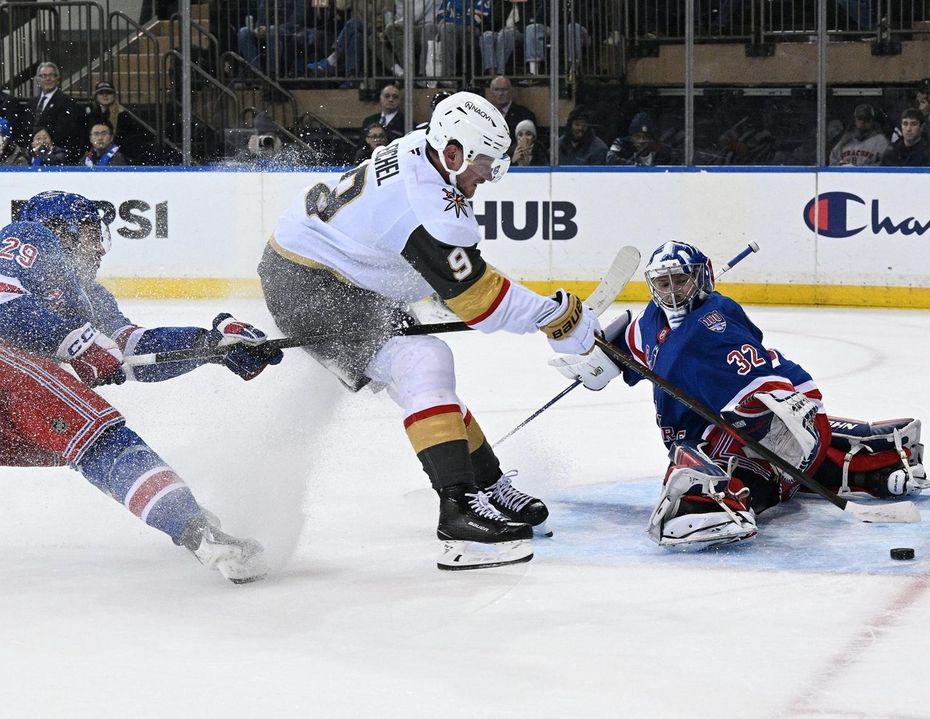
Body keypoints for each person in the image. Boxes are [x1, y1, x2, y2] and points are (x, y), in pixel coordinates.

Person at [257, 91, 605, 570]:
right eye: (484, 164)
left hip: (339, 275)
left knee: (424, 378)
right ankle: (458, 515)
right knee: (424, 360)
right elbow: (480, 303)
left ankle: (485, 486)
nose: (488, 175)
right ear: (454, 153)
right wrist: (559, 319)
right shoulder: (424, 205)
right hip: (310, 283)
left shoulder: (430, 149)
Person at [550, 241, 930, 549]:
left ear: (700, 278)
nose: (671, 292)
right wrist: (601, 357)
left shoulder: (714, 327)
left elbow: (769, 397)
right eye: (663, 284)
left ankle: (726, 501)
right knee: (701, 451)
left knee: (694, 469)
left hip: (782, 420)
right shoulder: (652, 319)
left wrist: (769, 436)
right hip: (735, 425)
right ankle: (870, 456)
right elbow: (636, 342)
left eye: (680, 280)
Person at [0, 191, 282, 582]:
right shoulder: (30, 237)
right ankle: (196, 530)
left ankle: (178, 515)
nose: (100, 248)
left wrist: (210, 345)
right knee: (98, 437)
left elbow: (130, 351)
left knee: (83, 444)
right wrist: (75, 342)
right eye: (89, 233)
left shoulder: (87, 298)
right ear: (60, 231)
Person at [237, 0, 308, 76]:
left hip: (288, 30)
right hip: (267, 29)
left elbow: (297, 20)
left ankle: (272, 73)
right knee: (243, 32)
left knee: (273, 30)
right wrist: (259, 28)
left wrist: (269, 29)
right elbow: (261, 16)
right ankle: (256, 71)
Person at [29, 62, 80, 153]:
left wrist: (43, 141)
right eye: (44, 76)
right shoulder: (32, 102)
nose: (48, 79)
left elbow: (64, 130)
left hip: (55, 152)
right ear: (38, 80)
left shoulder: (67, 102)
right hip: (31, 152)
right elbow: (26, 128)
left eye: (51, 75)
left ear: (57, 79)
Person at [606, 112, 672, 166]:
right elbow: (611, 159)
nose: (642, 140)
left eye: (646, 136)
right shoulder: (622, 144)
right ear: (631, 137)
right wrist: (634, 165)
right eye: (637, 136)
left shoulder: (661, 149)